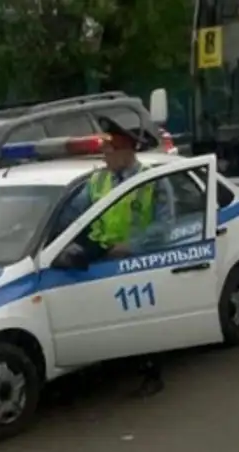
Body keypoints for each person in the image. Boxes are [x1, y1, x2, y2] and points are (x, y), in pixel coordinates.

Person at [58, 116, 176, 397]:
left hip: (136, 260)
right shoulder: (98, 181)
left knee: (141, 322)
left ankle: (151, 374)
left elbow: (165, 226)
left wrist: (132, 244)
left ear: (126, 151)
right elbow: (73, 215)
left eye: (110, 151)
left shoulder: (153, 182)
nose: (105, 157)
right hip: (103, 256)